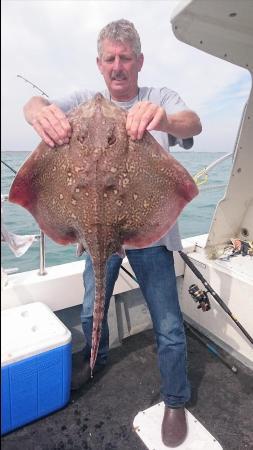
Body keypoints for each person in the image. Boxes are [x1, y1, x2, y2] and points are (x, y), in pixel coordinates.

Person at [23, 19, 202, 448]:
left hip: (150, 236)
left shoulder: (157, 99)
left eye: (126, 58)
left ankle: (175, 399)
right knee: (90, 306)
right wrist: (35, 111)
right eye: (110, 59)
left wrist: (164, 120)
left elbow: (191, 123)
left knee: (168, 324)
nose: (117, 66)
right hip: (92, 232)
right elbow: (35, 102)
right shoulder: (84, 102)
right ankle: (94, 357)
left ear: (139, 61)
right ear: (100, 64)